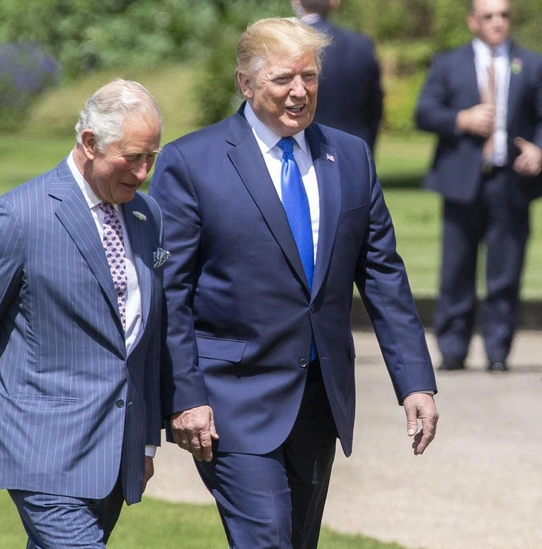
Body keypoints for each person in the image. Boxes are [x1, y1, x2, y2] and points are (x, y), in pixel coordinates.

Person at [149, 17, 439, 549]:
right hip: (230, 400)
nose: (299, 92)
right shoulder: (192, 162)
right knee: (266, 537)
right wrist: (185, 396)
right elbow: (170, 292)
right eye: (283, 78)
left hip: (318, 401)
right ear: (245, 83)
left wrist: (415, 381)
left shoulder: (349, 157)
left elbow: (383, 276)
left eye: (309, 77)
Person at [0, 79, 166, 548]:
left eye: (151, 156)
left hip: (115, 454)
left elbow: (144, 335)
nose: (143, 171)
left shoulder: (146, 216)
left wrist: (145, 439)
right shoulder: (18, 217)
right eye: (132, 157)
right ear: (89, 142)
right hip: (41, 452)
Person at [414, 0, 542, 373]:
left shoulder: (531, 63)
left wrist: (538, 148)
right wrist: (461, 119)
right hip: (462, 180)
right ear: (473, 21)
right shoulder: (448, 63)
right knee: (456, 269)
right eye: (489, 16)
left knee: (505, 270)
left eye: (503, 15)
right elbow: (424, 112)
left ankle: (498, 350)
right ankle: (453, 349)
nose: (498, 22)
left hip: (509, 181)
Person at [291, 0, 384, 152]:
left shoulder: (288, 44)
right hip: (354, 148)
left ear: (295, 1)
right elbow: (374, 109)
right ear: (335, 2)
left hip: (302, 148)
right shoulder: (362, 45)